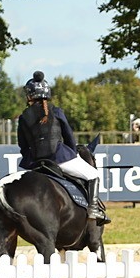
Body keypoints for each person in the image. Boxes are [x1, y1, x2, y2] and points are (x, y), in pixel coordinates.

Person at [16, 71, 109, 224]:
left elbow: (23, 145)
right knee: (93, 174)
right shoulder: (57, 111)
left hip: (36, 162)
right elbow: (69, 137)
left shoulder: (23, 117)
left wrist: (31, 160)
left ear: (29, 96)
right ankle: (93, 209)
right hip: (60, 158)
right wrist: (73, 154)